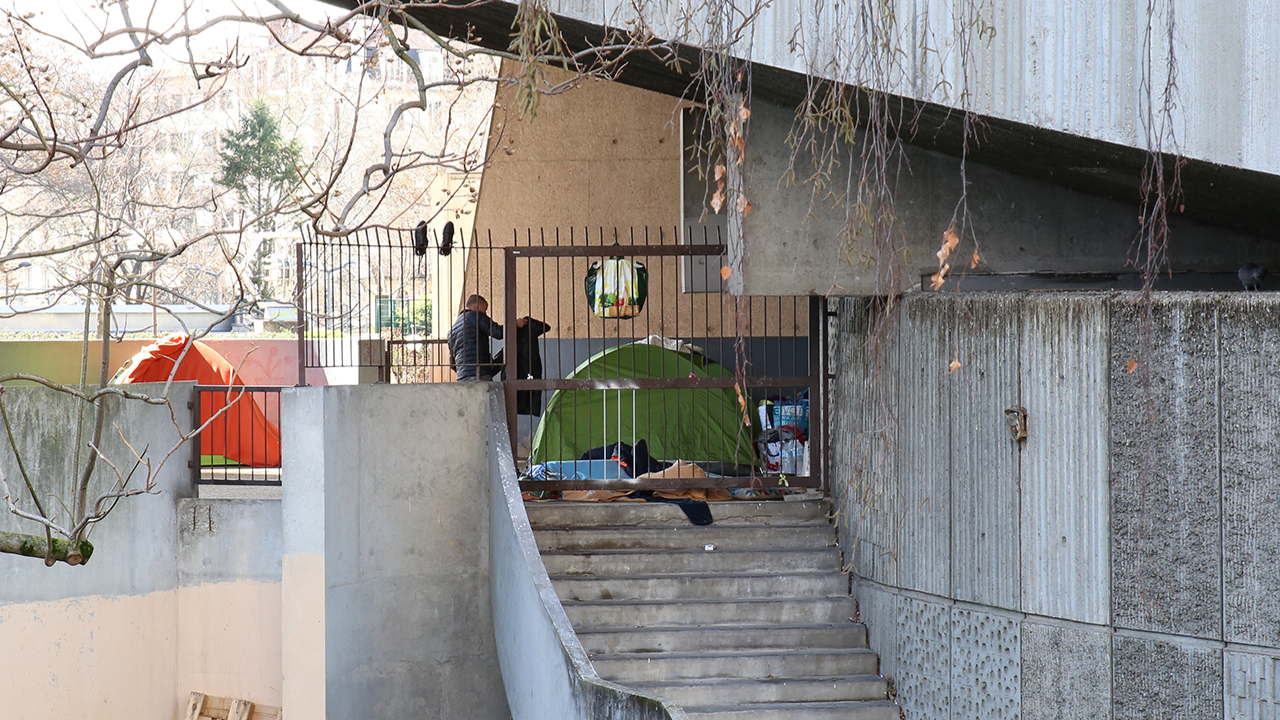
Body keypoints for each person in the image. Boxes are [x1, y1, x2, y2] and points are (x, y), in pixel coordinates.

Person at [448, 294, 526, 381]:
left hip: (462, 378)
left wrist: (464, 371)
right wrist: (514, 324)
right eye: (485, 309)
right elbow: (498, 332)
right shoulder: (477, 316)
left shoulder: (452, 331)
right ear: (477, 305)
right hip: (479, 374)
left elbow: (452, 364)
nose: (485, 313)